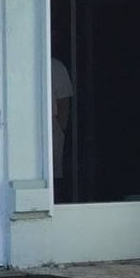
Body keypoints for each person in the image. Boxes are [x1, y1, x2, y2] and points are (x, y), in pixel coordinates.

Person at [52, 56, 75, 199]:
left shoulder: (56, 66)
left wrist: (60, 130)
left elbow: (64, 103)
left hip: (52, 127)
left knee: (54, 176)